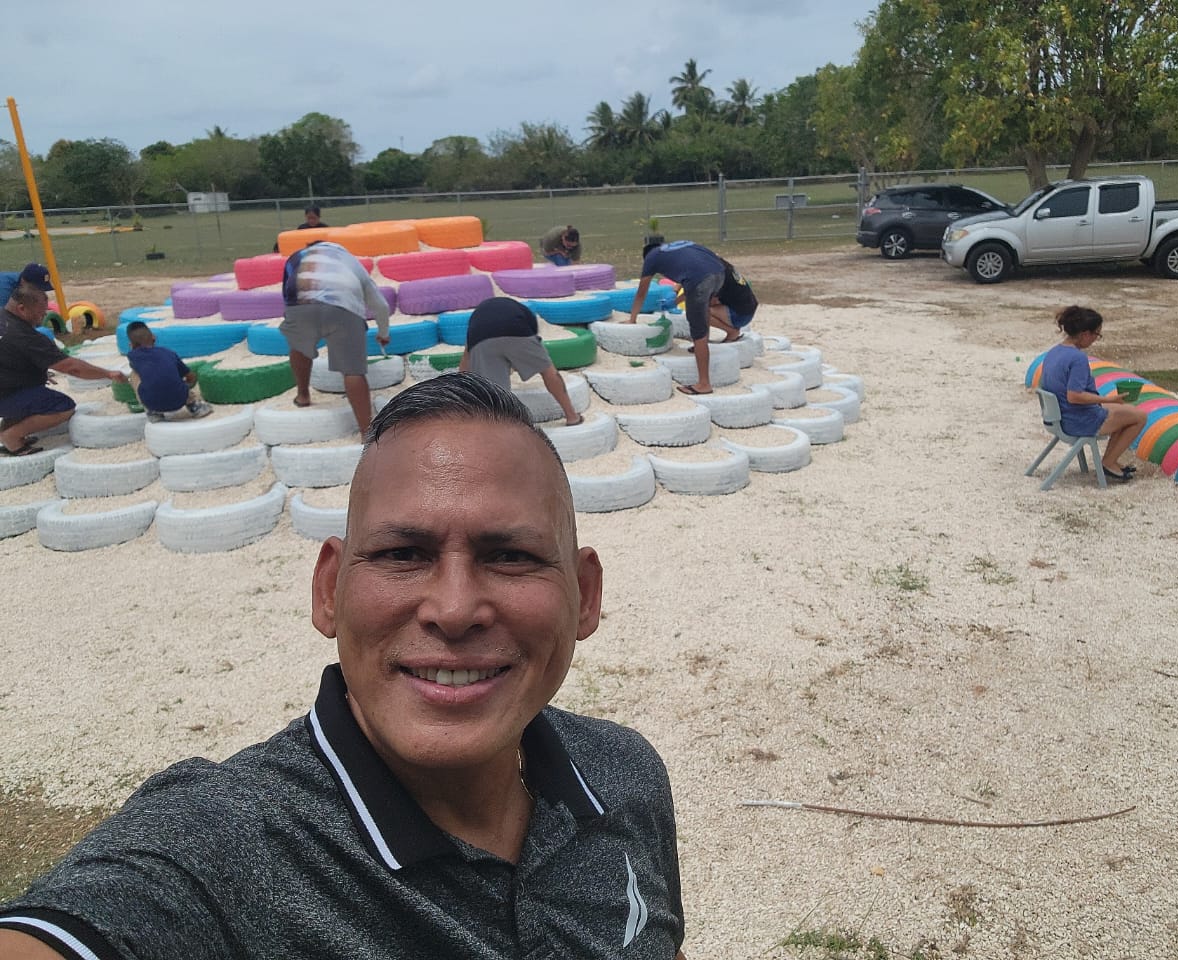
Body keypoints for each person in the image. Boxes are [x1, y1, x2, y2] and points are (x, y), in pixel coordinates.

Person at [0, 373, 687, 960]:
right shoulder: (226, 847)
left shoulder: (623, 773)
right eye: (401, 554)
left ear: (585, 596)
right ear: (328, 591)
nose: (453, 609)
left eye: (511, 556)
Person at [0, 281, 126, 456]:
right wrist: (107, 373)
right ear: (22, 308)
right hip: (6, 395)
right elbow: (72, 368)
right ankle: (11, 437)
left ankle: (8, 428)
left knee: (31, 389)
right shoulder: (25, 336)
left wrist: (37, 373)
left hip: (7, 386)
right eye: (40, 312)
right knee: (62, 406)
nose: (42, 316)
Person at [280, 240, 390, 436]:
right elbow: (380, 305)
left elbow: (287, 292)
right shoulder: (350, 260)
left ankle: (303, 394)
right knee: (352, 369)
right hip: (343, 305)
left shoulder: (297, 257)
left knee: (299, 346)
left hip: (300, 302)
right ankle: (367, 431)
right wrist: (383, 333)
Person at [1038, 305, 1148, 483]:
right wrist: (1107, 399)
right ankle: (1108, 462)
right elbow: (1074, 395)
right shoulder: (1078, 359)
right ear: (1085, 334)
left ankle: (1110, 461)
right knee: (1139, 417)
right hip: (1077, 420)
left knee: (1126, 410)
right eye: (1097, 335)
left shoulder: (1055, 351)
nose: (1096, 340)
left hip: (1057, 416)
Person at [623, 237, 726, 395]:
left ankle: (704, 383)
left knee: (697, 330)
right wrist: (676, 298)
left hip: (702, 278)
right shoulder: (678, 247)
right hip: (720, 272)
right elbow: (693, 281)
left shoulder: (652, 256)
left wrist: (632, 318)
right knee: (702, 308)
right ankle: (700, 346)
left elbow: (642, 291)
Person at [458, 296, 583, 426]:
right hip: (517, 328)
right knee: (548, 371)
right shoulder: (527, 316)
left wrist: (460, 388)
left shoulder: (477, 321)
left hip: (481, 339)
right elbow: (522, 350)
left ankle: (499, 428)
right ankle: (572, 417)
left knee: (494, 390)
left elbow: (467, 357)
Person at [124, 321, 212, 421]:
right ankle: (194, 405)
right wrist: (187, 385)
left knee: (134, 374)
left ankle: (153, 412)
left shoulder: (132, 356)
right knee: (172, 373)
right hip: (179, 399)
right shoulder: (169, 353)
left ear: (131, 345)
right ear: (154, 337)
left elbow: (145, 369)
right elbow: (191, 376)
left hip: (153, 403)